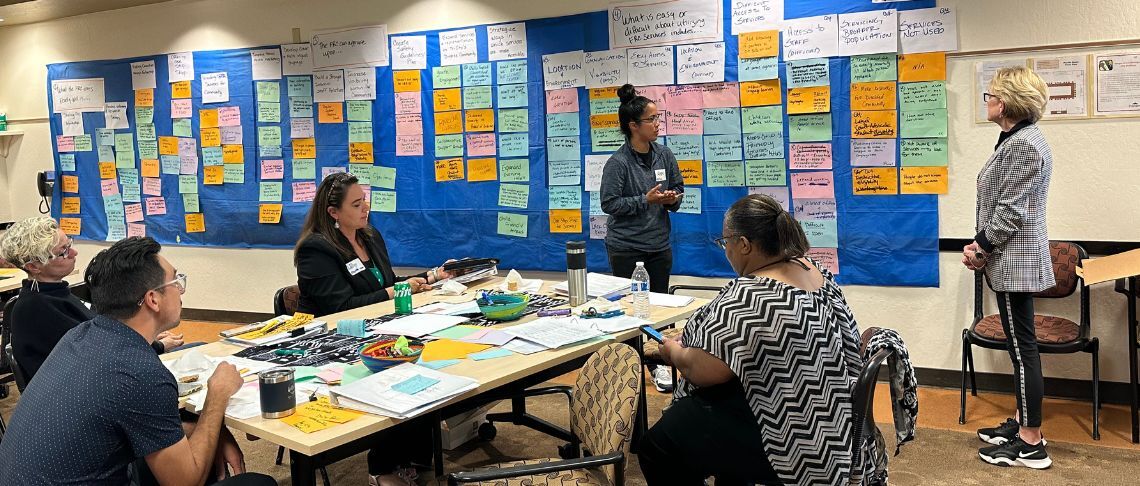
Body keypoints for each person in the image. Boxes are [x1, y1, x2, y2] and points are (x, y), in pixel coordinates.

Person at [0, 237, 275, 486]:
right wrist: (217, 398)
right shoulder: (140, 371)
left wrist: (209, 428)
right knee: (258, 484)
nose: (181, 290)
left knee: (188, 440)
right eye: (175, 281)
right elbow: (183, 482)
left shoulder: (81, 336)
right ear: (153, 299)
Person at [638, 195, 867, 485]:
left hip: (790, 436)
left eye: (725, 243)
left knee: (657, 446)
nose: (726, 251)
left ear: (744, 244)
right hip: (831, 418)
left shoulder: (752, 294)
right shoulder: (811, 268)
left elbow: (705, 372)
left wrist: (673, 352)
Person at [964, 66, 1055, 469]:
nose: (986, 101)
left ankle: (1031, 441)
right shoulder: (1017, 139)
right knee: (1023, 348)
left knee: (1023, 350)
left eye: (990, 95)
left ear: (1005, 102)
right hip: (1011, 259)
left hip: (1014, 261)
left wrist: (979, 247)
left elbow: (1011, 210)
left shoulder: (1024, 145)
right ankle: (1022, 422)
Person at [0, 216, 182, 383]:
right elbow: (100, 353)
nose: (74, 252)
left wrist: (146, 334)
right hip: (85, 388)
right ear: (34, 266)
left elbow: (101, 334)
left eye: (69, 244)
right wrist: (155, 345)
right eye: (63, 251)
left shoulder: (54, 293)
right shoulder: (37, 309)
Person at [600, 83, 684, 393]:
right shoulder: (618, 163)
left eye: (658, 118)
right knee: (632, 310)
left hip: (659, 245)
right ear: (633, 126)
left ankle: (661, 364)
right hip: (626, 249)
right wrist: (644, 201)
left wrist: (672, 199)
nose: (658, 124)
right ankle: (631, 366)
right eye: (652, 119)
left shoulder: (664, 154)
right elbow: (609, 205)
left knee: (659, 310)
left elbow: (678, 187)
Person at [294, 172, 457, 316]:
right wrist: (400, 290)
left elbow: (389, 282)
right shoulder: (316, 249)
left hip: (375, 322)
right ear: (333, 212)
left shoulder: (370, 236)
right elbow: (341, 307)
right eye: (357, 205)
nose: (366, 208)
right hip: (327, 334)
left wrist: (435, 275)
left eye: (364, 200)